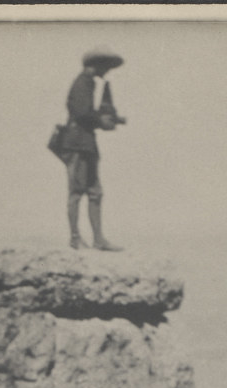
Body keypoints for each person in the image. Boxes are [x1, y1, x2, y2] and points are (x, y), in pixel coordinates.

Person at [60, 48, 126, 251]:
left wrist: (109, 119)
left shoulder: (87, 83)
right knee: (77, 191)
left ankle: (98, 239)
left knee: (95, 192)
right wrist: (101, 119)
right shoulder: (83, 82)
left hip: (86, 144)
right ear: (96, 65)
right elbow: (81, 113)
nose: (107, 72)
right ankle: (75, 238)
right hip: (77, 144)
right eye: (105, 67)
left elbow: (86, 113)